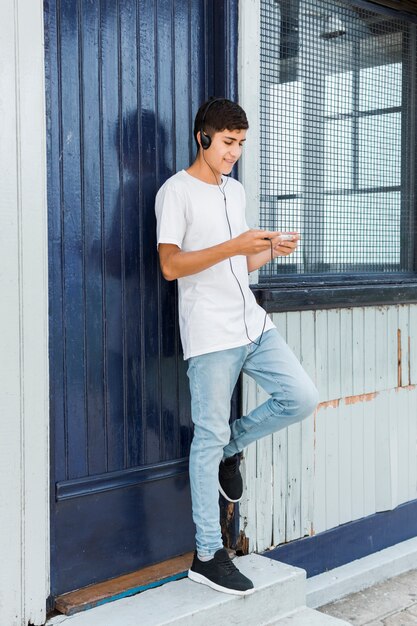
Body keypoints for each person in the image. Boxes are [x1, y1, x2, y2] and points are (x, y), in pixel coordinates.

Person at [154, 97, 319, 596]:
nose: (234, 154)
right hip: (209, 335)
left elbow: (236, 267)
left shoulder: (236, 191)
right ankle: (208, 555)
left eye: (241, 145)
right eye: (228, 144)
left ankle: (233, 445)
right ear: (203, 138)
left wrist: (268, 249)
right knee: (205, 439)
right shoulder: (175, 193)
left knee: (301, 397)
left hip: (252, 324)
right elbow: (170, 266)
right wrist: (236, 244)